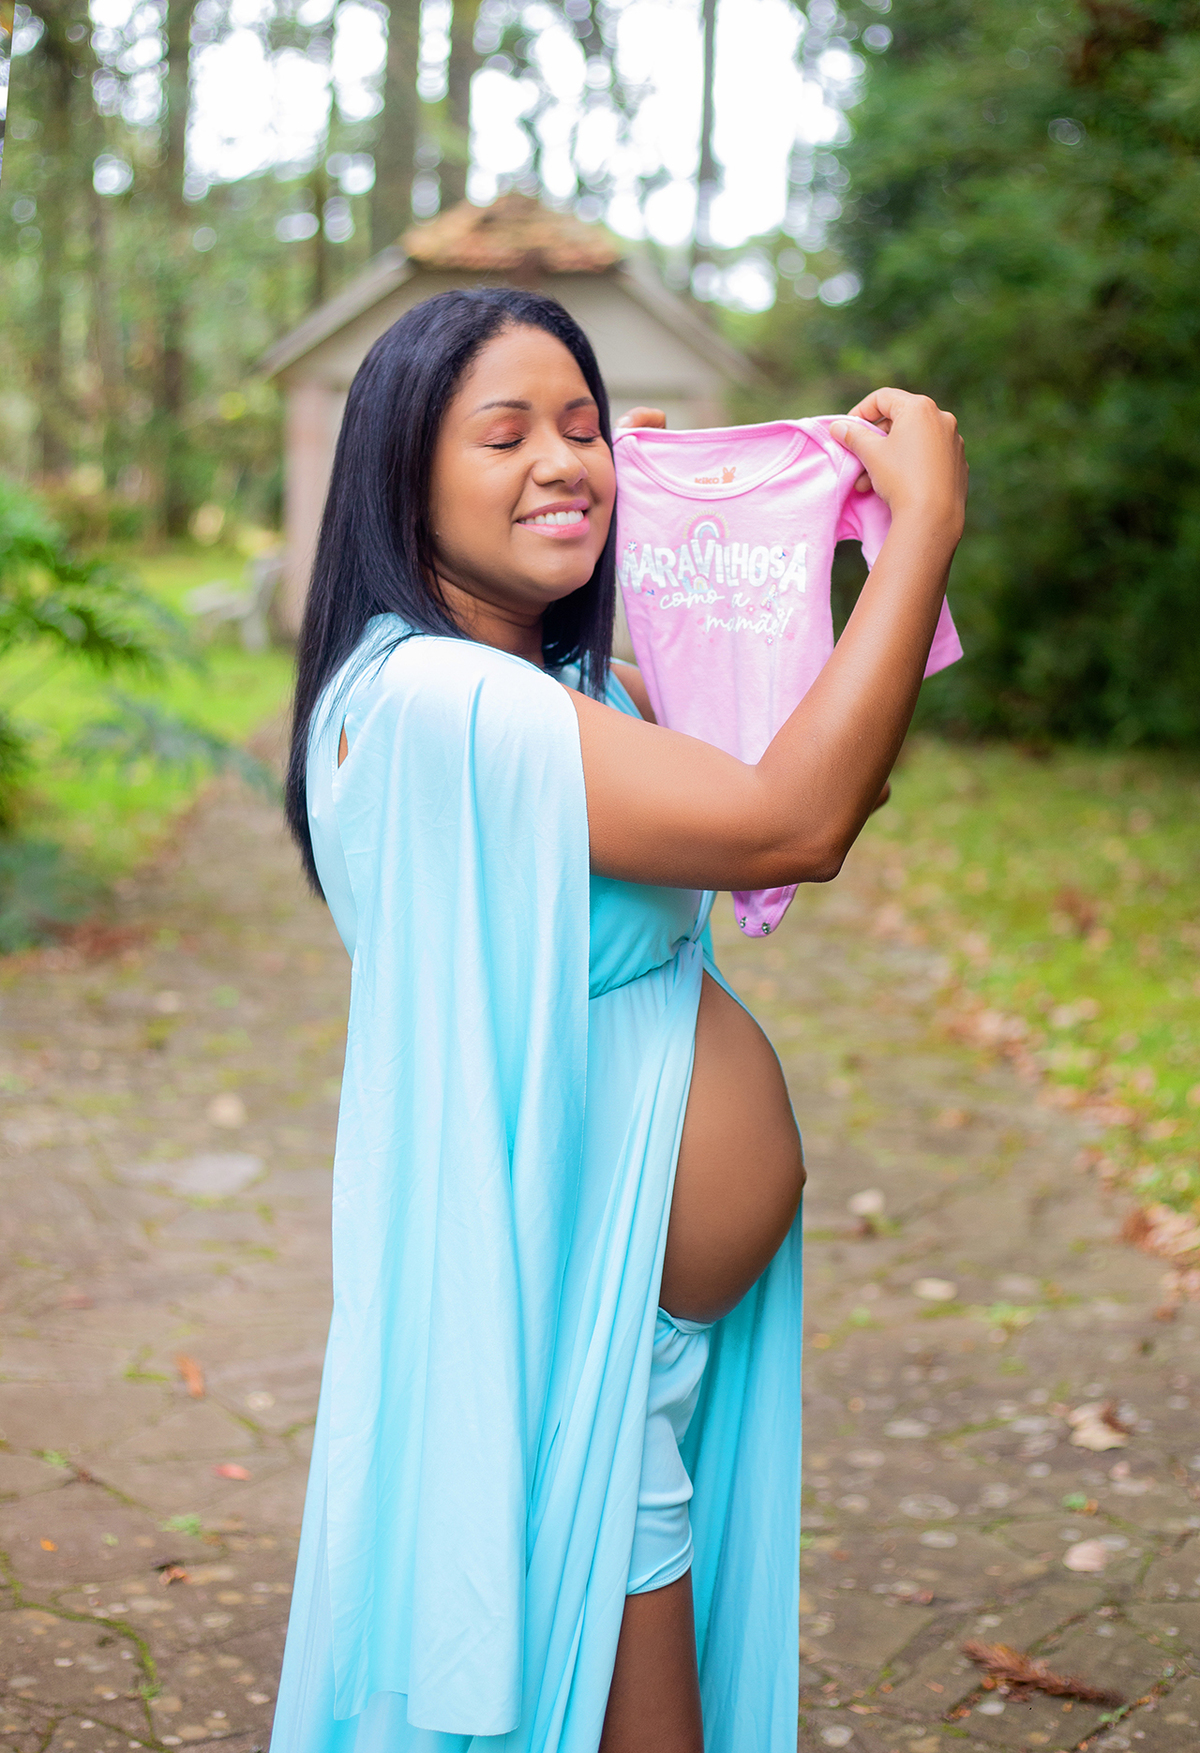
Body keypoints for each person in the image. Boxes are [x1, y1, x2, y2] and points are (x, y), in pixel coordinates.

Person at [275, 287, 967, 1753]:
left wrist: (714, 533)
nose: (564, 460)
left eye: (586, 429)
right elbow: (796, 822)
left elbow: (803, 748)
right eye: (506, 433)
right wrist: (926, 533)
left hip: (619, 1309)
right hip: (570, 1317)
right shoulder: (450, 707)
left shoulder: (542, 689)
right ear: (404, 474)